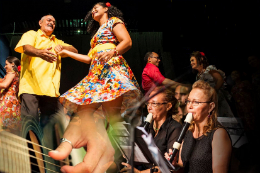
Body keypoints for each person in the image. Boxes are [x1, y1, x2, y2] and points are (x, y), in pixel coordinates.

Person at [48, 2, 141, 173]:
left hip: (111, 70)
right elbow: (88, 59)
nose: (93, 10)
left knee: (113, 117)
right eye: (91, 9)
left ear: (106, 8)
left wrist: (113, 52)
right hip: (96, 75)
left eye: (96, 7)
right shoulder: (95, 36)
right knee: (84, 112)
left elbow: (127, 41)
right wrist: (66, 53)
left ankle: (128, 158)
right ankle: (77, 150)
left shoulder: (113, 21)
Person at [14, 14, 78, 126]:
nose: (52, 23)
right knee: (30, 124)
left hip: (50, 91)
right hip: (31, 86)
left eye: (54, 22)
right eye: (49, 20)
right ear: (40, 23)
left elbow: (75, 51)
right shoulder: (31, 34)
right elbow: (26, 48)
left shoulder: (56, 41)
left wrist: (63, 48)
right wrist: (40, 53)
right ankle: (30, 144)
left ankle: (49, 143)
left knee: (54, 125)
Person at [165, 80, 232, 173]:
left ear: (210, 107)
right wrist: (174, 165)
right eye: (188, 101)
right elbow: (183, 167)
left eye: (196, 102)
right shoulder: (187, 130)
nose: (189, 106)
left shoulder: (218, 134)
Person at [120, 86, 182, 173]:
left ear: (168, 106)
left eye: (154, 104)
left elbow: (168, 166)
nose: (149, 108)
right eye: (148, 103)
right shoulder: (146, 126)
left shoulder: (175, 128)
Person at [190, 51, 234, 117]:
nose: (191, 63)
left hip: (217, 99)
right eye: (190, 61)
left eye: (193, 60)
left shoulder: (209, 69)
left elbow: (220, 80)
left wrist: (213, 92)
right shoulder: (198, 76)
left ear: (200, 59)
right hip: (207, 101)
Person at [0, 56, 21, 135]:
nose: (5, 66)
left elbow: (5, 85)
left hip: (8, 103)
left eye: (6, 64)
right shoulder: (16, 74)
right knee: (9, 130)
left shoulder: (11, 73)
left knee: (4, 129)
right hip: (11, 103)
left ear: (12, 64)